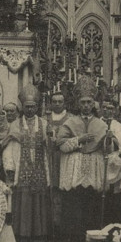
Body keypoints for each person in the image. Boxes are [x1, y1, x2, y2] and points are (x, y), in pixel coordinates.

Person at [57, 77, 113, 235]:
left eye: (89, 102)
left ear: (94, 103)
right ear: (78, 103)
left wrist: (108, 140)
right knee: (73, 203)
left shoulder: (101, 124)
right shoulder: (69, 122)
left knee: (92, 203)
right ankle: (73, 238)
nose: (86, 105)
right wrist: (78, 140)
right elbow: (61, 145)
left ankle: (92, 238)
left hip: (94, 168)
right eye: (83, 102)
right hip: (74, 167)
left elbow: (107, 151)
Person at [3, 83, 51, 238]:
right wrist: (9, 167)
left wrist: (50, 136)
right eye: (27, 106)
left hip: (38, 166)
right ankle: (21, 233)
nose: (30, 109)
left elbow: (49, 145)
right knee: (22, 198)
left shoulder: (44, 124)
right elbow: (9, 147)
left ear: (37, 107)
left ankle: (39, 233)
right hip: (21, 166)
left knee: (39, 198)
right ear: (22, 107)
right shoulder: (16, 124)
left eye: (33, 106)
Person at [45, 91, 71, 234]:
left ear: (64, 103)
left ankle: (62, 228)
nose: (56, 104)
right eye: (54, 101)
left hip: (63, 159)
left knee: (62, 191)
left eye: (60, 101)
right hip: (48, 157)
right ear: (50, 103)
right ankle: (49, 227)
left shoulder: (71, 119)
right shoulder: (45, 118)